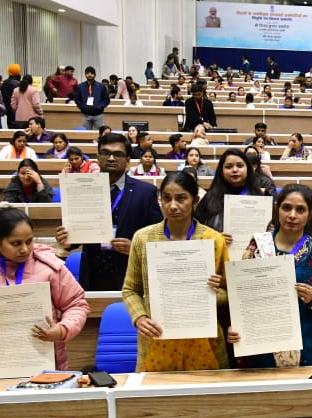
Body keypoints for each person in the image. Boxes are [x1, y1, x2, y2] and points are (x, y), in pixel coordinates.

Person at [0, 207, 89, 374]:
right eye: (16, 243)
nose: (25, 249)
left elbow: (76, 305)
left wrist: (62, 330)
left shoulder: (50, 267)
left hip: (47, 367)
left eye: (29, 241)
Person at [121, 172, 229, 371]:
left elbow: (229, 293)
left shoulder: (214, 240)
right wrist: (140, 317)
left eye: (181, 198)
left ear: (194, 201)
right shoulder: (143, 238)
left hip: (205, 343)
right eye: (166, 198)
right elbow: (130, 290)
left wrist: (211, 293)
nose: (172, 205)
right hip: (157, 340)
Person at [228, 184, 312, 367]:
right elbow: (240, 297)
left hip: (310, 349)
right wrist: (235, 326)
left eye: (300, 210)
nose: (292, 215)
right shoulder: (257, 246)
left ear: (309, 215)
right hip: (260, 351)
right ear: (277, 210)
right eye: (287, 207)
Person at [55, 134, 163, 291]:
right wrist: (68, 240)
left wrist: (136, 248)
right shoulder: (83, 190)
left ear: (128, 159)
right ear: (98, 157)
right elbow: (78, 234)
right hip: (93, 273)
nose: (111, 158)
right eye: (106, 153)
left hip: (131, 272)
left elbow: (159, 238)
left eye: (118, 154)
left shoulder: (146, 192)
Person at [194, 148, 274, 242]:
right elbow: (195, 230)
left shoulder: (262, 197)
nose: (235, 170)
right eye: (229, 167)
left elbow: (276, 230)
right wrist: (215, 238)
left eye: (240, 166)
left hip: (253, 250)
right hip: (217, 250)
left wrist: (270, 231)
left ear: (248, 169)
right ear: (221, 171)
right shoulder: (210, 198)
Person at [68, 66, 111, 130]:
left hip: (98, 115)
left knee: (99, 133)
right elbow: (77, 100)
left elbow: (106, 100)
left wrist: (100, 106)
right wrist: (83, 107)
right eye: (87, 73)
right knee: (86, 133)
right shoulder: (80, 86)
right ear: (85, 75)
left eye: (91, 73)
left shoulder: (101, 86)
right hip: (86, 115)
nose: (89, 75)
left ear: (95, 75)